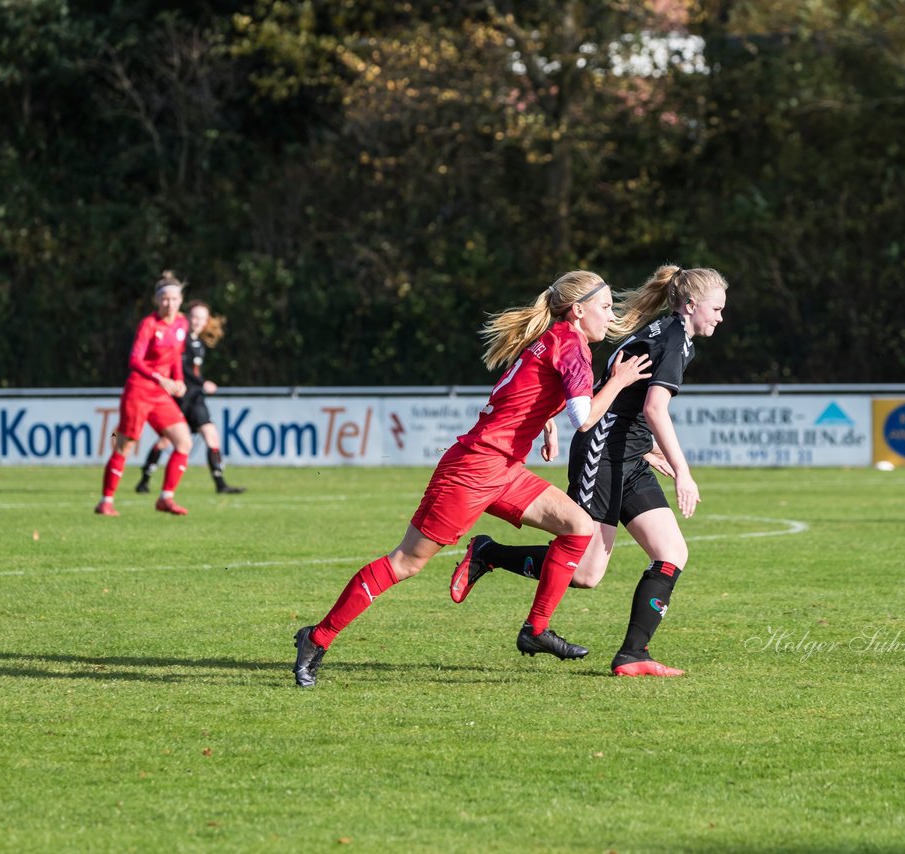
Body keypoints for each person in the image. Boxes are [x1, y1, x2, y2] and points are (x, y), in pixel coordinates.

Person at [291, 271, 653, 687]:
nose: (610, 316)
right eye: (605, 307)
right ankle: (316, 638)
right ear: (578, 310)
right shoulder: (570, 345)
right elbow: (585, 418)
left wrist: (545, 425)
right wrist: (619, 382)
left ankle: (535, 630)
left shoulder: (555, 339)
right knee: (406, 562)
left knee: (578, 527)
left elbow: (520, 393)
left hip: (502, 469)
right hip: (473, 470)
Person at [449, 265, 728, 678]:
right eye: (717, 308)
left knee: (672, 554)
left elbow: (626, 406)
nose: (721, 317)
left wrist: (647, 450)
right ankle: (488, 554)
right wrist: (684, 471)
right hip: (603, 455)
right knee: (586, 573)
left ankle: (633, 655)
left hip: (628, 456)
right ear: (690, 305)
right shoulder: (671, 340)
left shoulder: (669, 335)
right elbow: (652, 408)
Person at [94, 271, 195, 517]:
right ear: (157, 301)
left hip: (161, 395)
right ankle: (106, 501)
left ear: (180, 301)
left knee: (184, 442)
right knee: (124, 445)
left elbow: (175, 358)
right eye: (164, 299)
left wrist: (179, 380)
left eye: (174, 299)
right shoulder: (149, 324)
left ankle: (165, 498)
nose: (169, 304)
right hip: (138, 392)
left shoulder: (182, 324)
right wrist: (160, 378)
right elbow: (135, 359)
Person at [134, 299, 245, 495]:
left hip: (196, 398)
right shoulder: (179, 339)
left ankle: (220, 484)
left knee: (211, 435)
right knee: (167, 441)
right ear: (187, 317)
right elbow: (180, 369)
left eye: (202, 318)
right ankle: (144, 479)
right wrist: (201, 383)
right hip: (180, 397)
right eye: (194, 317)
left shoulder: (198, 342)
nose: (198, 321)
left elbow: (193, 372)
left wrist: (201, 383)